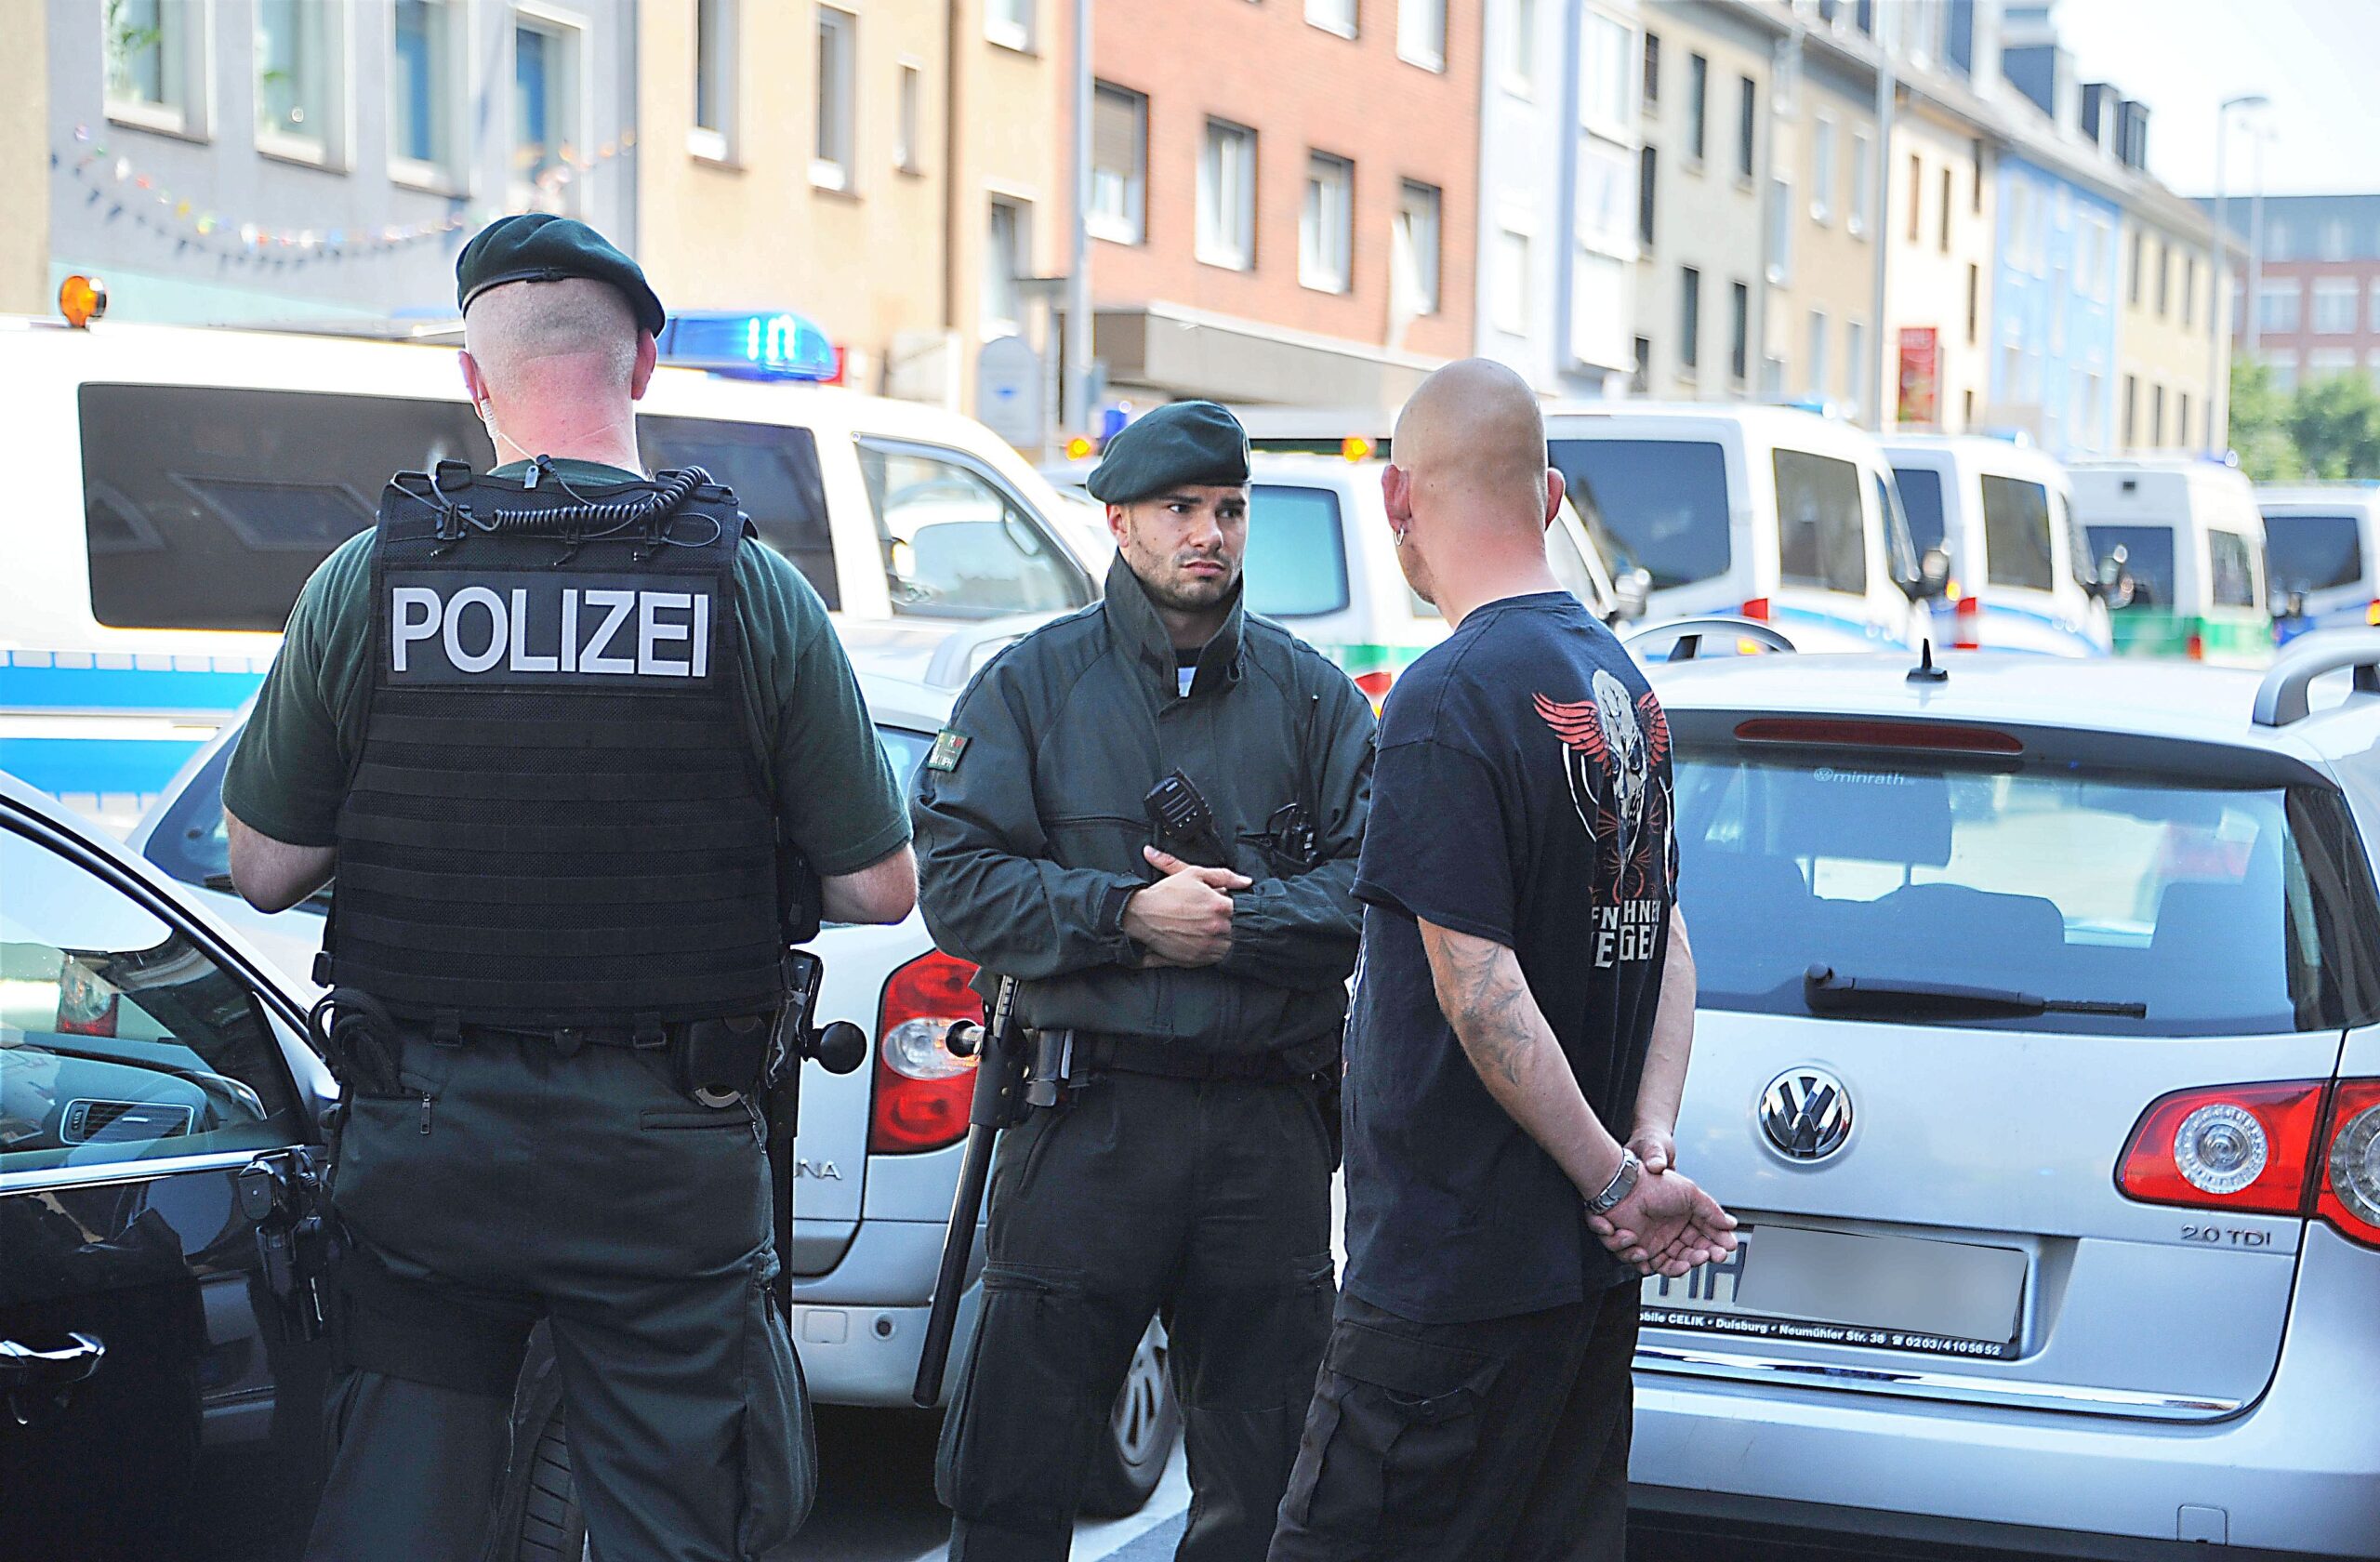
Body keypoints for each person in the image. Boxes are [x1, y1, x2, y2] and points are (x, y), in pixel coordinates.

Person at [224, 213, 919, 1562]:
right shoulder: (753, 592)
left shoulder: (370, 581)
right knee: (672, 1521)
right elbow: (882, 888)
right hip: (664, 1156)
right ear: (644, 364)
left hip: (429, 1140)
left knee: (399, 1522)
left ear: (474, 379)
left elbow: (262, 867)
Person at [1267, 360, 1737, 1562]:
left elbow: (1478, 993)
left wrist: (1616, 1184)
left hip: (1447, 1295)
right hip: (1579, 1302)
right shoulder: (1623, 685)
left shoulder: (1443, 699)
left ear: (1397, 501)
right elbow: (1669, 936)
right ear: (1552, 497)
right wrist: (1648, 1141)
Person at [913, 401, 1375, 1562]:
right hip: (1089, 1120)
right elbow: (959, 886)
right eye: (1180, 510)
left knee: (1267, 1493)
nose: (1208, 534)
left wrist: (1233, 928)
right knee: (1010, 1480)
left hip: (1266, 1130)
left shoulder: (1316, 699)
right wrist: (1124, 917)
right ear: (1119, 522)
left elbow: (1372, 893)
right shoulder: (1031, 687)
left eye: (1227, 509)